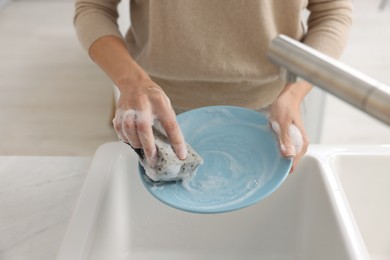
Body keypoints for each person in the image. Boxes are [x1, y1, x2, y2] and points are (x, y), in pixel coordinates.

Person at [74, 0, 352, 172]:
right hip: (155, 108)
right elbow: (94, 7)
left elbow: (332, 12)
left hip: (274, 106)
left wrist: (294, 93)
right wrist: (132, 81)